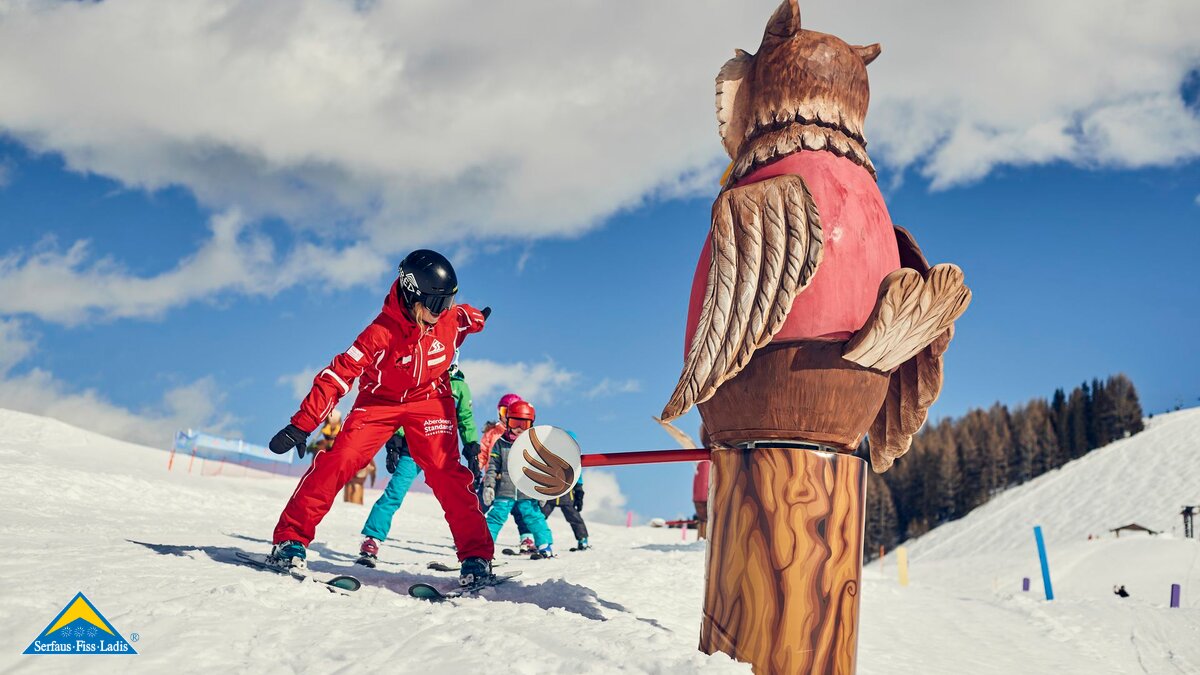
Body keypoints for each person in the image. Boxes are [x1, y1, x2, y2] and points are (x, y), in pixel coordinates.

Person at [265, 249, 495, 586]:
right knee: (340, 459)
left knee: (446, 473)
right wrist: (304, 423)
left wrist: (479, 319)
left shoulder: (450, 319)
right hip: (379, 402)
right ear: (412, 294)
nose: (442, 312)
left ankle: (476, 557)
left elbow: (467, 318)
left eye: (448, 302)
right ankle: (290, 540)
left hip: (431, 398)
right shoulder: (380, 333)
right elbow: (339, 374)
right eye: (435, 304)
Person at [357, 359, 481, 566]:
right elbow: (406, 409)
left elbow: (465, 418)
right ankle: (372, 538)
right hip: (413, 448)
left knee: (457, 500)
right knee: (394, 492)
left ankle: (473, 550)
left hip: (441, 452)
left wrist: (472, 449)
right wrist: (395, 442)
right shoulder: (421, 378)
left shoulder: (459, 386)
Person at [482, 400, 555, 558]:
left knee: (534, 517)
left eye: (525, 425)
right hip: (505, 491)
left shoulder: (533, 445)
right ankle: (483, 549)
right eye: (515, 423)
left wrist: (544, 490)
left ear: (531, 424)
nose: (519, 429)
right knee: (495, 517)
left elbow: (541, 469)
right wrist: (489, 486)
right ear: (507, 422)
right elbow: (492, 467)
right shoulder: (500, 444)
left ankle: (545, 546)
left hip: (526, 492)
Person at [479, 393, 535, 553]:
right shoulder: (492, 432)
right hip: (492, 477)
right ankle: (471, 537)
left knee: (519, 510)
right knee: (480, 506)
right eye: (504, 412)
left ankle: (527, 538)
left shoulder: (521, 434)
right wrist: (477, 468)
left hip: (513, 480)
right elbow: (483, 452)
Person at [540, 430, 590, 551]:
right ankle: (536, 539)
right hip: (550, 494)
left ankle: (583, 539)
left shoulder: (573, 459)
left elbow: (578, 475)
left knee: (574, 517)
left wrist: (579, 492)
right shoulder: (549, 456)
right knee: (539, 517)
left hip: (567, 496)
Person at [693, 459, 711, 540]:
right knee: (705, 519)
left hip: (701, 497)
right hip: (703, 497)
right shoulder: (705, 463)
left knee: (704, 519)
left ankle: (703, 538)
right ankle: (703, 538)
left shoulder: (701, 463)